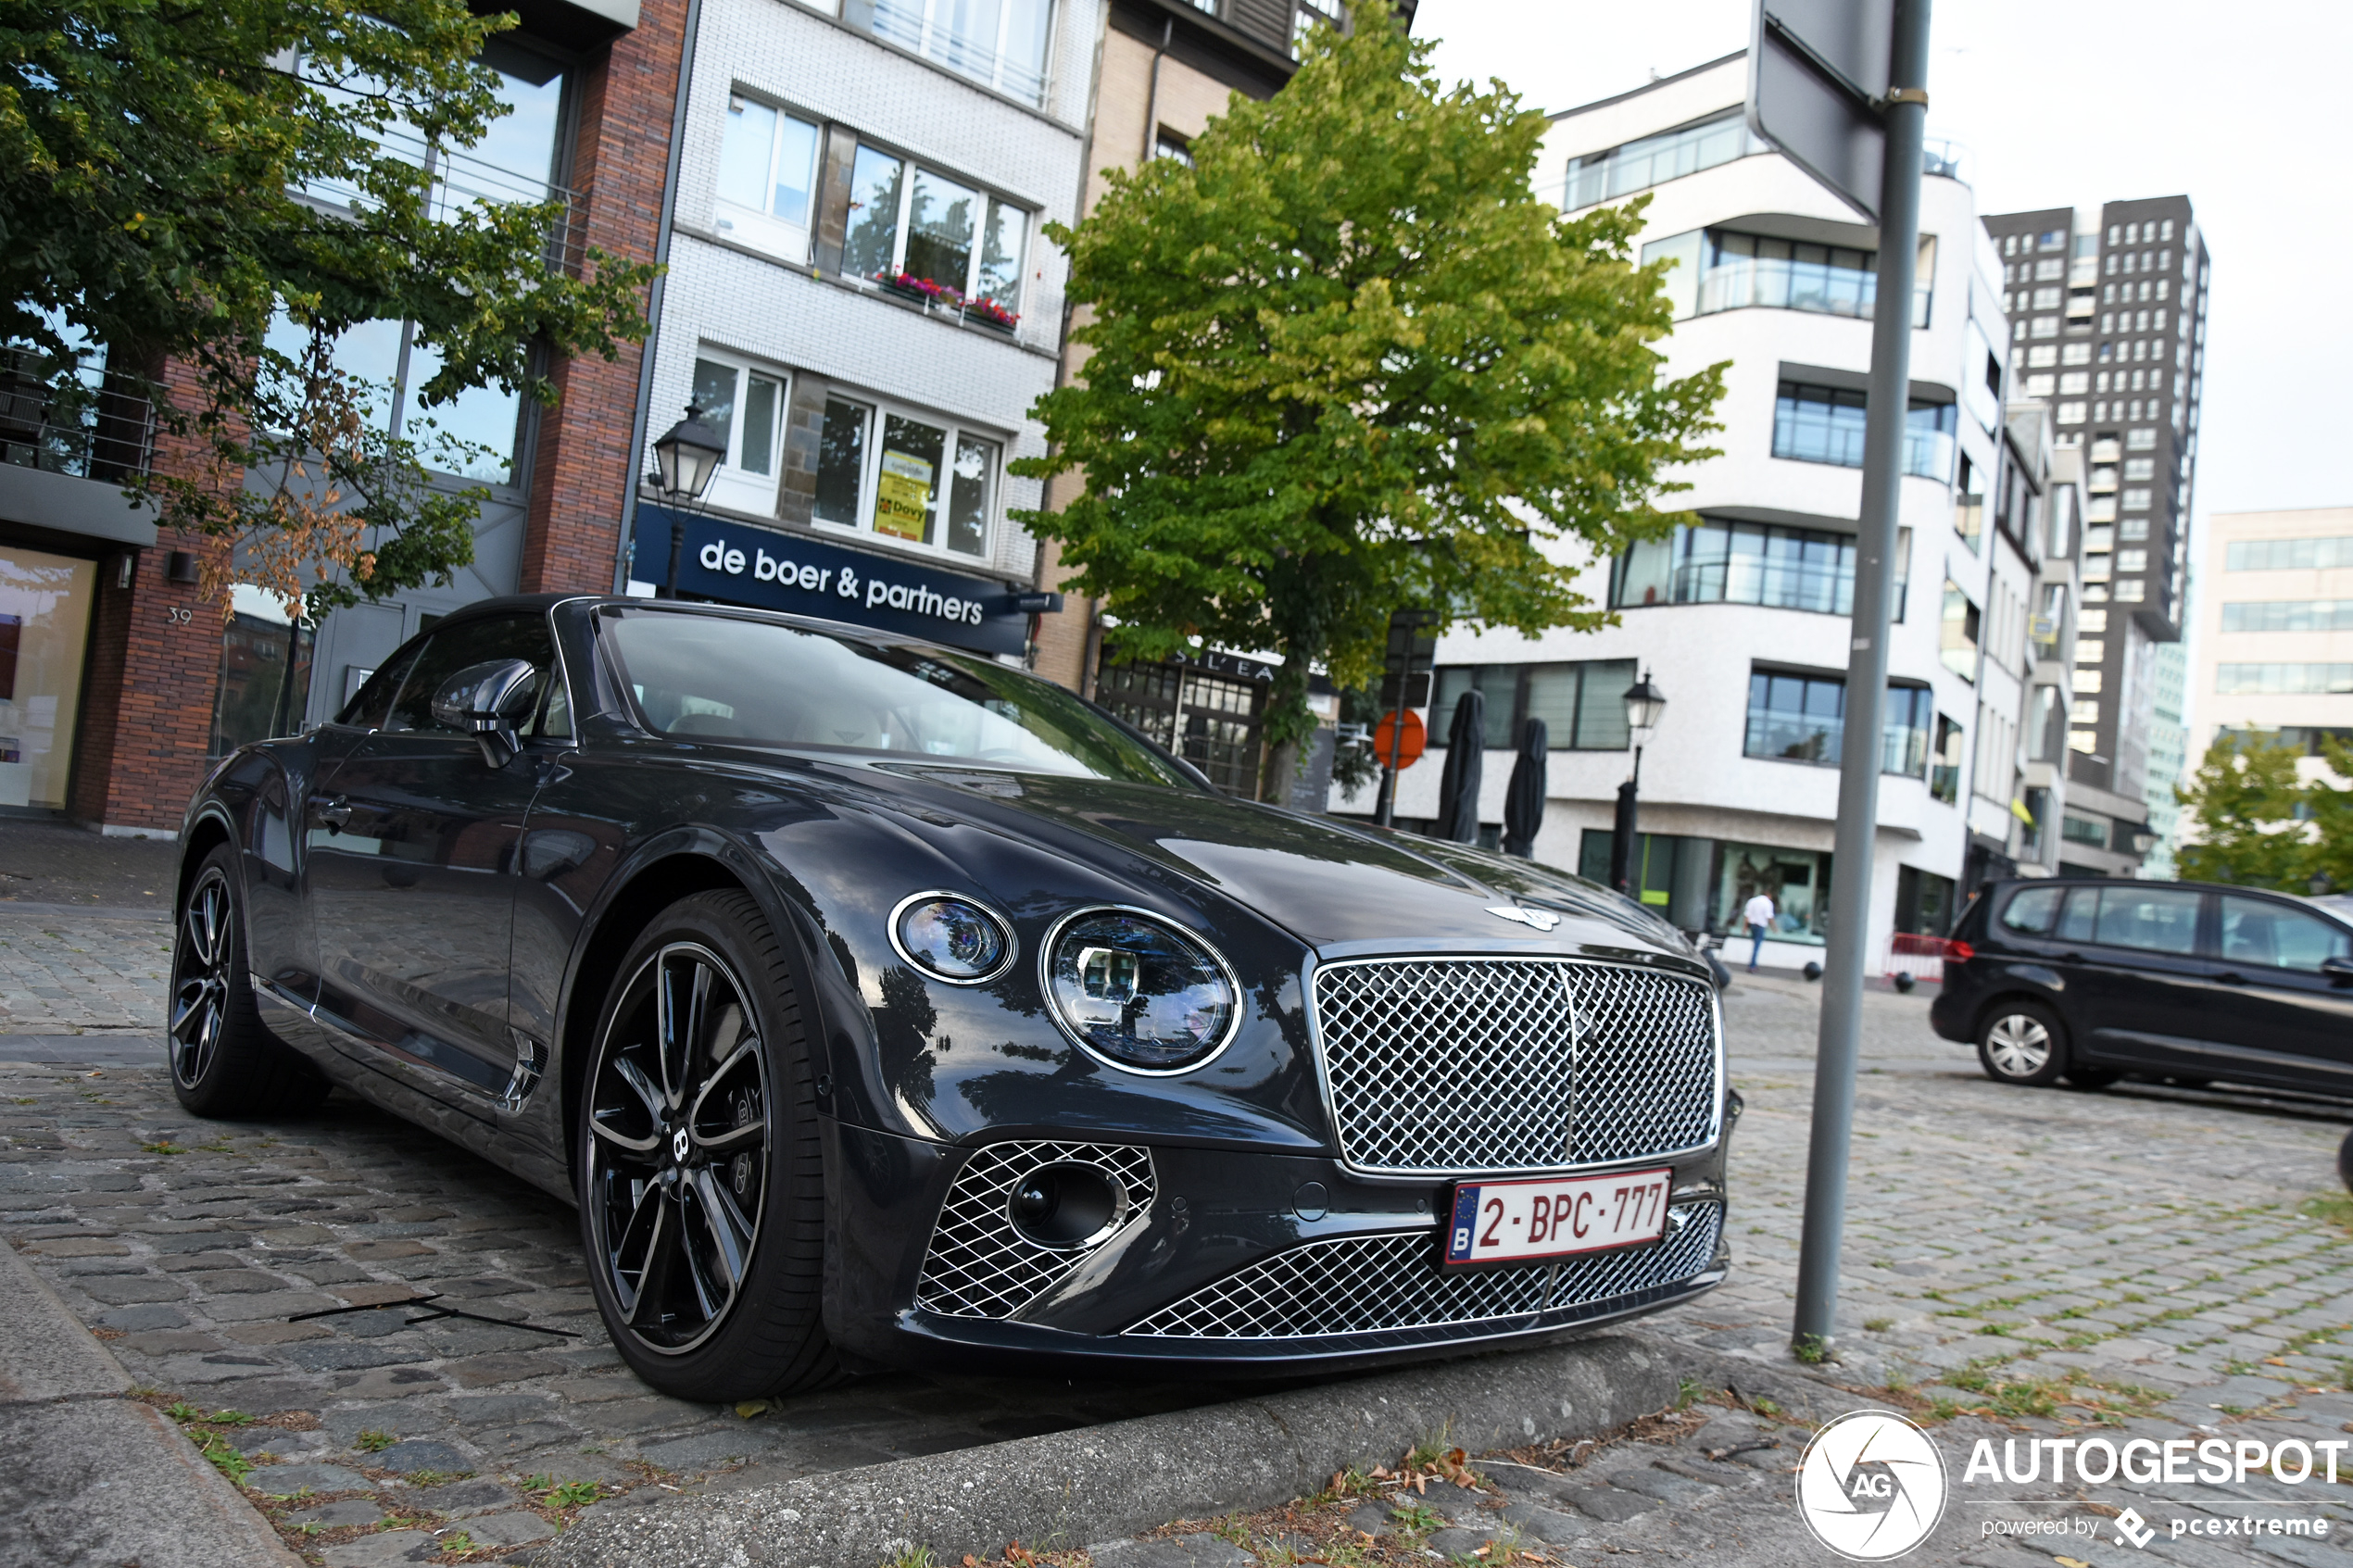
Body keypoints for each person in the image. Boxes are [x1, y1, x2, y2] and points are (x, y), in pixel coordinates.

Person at [1743, 889, 1777, 973]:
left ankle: (1753, 963)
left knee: (1755, 945)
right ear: (1769, 895)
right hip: (1760, 926)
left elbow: (1747, 915)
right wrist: (1774, 928)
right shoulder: (1768, 903)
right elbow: (1769, 917)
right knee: (1757, 946)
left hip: (1752, 925)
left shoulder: (1753, 901)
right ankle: (1752, 965)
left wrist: (1745, 928)